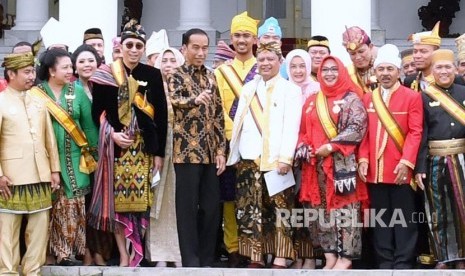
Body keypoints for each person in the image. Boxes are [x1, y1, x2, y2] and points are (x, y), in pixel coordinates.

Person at [90, 20, 167, 267]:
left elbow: (162, 116)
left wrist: (159, 153)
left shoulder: (152, 74)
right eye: (129, 45)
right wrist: (111, 135)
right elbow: (97, 113)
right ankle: (123, 253)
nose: (134, 50)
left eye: (138, 46)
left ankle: (137, 251)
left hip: (144, 148)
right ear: (121, 46)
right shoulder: (105, 72)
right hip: (116, 148)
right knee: (118, 205)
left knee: (141, 204)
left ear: (143, 49)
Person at [227, 42, 302, 269]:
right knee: (250, 210)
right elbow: (239, 121)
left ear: (280, 62)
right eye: (262, 59)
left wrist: (285, 157)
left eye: (271, 59)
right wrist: (235, 155)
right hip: (249, 158)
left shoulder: (290, 89)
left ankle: (280, 256)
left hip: (276, 159)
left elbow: (292, 126)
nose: (266, 63)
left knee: (280, 210)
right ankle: (255, 256)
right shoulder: (249, 88)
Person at [297, 55, 368, 270]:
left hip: (341, 166)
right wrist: (305, 147)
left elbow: (358, 126)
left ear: (342, 72)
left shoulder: (352, 99)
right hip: (315, 166)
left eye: (333, 69)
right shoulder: (312, 101)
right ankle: (329, 257)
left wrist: (331, 146)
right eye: (325, 70)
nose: (329, 73)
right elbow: (302, 131)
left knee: (346, 211)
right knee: (321, 211)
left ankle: (345, 258)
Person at [358, 44, 423, 269]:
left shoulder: (412, 97)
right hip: (375, 170)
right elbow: (364, 133)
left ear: (398, 72)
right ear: (375, 72)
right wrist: (363, 159)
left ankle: (404, 261)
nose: (385, 73)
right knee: (380, 220)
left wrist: (407, 162)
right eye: (381, 69)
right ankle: (384, 262)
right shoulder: (368, 99)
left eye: (390, 69)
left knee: (404, 220)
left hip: (400, 170)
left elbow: (416, 132)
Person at [33, 48, 99, 266]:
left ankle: (66, 252)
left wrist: (93, 153)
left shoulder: (77, 91)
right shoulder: (36, 93)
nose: (71, 70)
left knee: (72, 206)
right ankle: (49, 252)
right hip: (44, 160)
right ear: (51, 70)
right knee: (50, 209)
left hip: (76, 159)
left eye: (71, 67)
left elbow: (89, 127)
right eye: (66, 67)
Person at [168, 28, 226, 267]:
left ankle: (206, 258)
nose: (201, 52)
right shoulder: (176, 75)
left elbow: (219, 115)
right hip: (185, 153)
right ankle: (190, 259)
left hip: (210, 153)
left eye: (204, 48)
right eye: (196, 47)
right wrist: (194, 100)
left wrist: (221, 150)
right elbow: (174, 100)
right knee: (187, 209)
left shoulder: (212, 76)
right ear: (185, 48)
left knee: (212, 207)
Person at [0, 51, 61, 276]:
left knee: (38, 231)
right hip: (10, 178)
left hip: (40, 174)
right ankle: (7, 272)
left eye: (32, 71)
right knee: (8, 231)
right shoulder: (1, 101)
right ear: (11, 74)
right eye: (26, 72)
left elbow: (49, 139)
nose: (31, 76)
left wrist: (54, 169)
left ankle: (32, 272)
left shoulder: (38, 102)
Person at [214, 11, 258, 268]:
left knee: (253, 198)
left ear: (255, 38)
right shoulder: (221, 72)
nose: (242, 40)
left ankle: (252, 247)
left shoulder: (262, 68)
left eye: (246, 35)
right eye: (238, 35)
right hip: (229, 142)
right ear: (231, 38)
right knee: (229, 199)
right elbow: (217, 108)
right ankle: (232, 248)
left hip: (256, 144)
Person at [415, 49, 465, 270]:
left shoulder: (464, 92)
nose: (444, 71)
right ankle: (443, 257)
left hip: (463, 160)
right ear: (431, 71)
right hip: (435, 162)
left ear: (455, 68)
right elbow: (421, 134)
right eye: (439, 67)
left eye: (447, 67)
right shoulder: (424, 97)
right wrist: (419, 167)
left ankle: (462, 257)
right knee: (437, 212)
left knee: (462, 210)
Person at [145, 46, 185, 267]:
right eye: (164, 60)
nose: (168, 65)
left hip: (182, 157)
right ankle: (160, 254)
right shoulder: (151, 90)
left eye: (173, 60)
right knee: (158, 204)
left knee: (180, 204)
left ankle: (178, 254)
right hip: (160, 155)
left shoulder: (187, 88)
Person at [285, 48, 320, 269]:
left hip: (311, 158)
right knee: (292, 208)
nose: (298, 71)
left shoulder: (317, 90)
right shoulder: (283, 89)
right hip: (286, 157)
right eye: (293, 66)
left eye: (302, 66)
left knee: (309, 207)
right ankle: (296, 254)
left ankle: (311, 256)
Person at [342, 26, 377, 95]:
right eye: (352, 54)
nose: (357, 57)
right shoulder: (347, 73)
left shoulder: (383, 68)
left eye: (361, 51)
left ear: (370, 47)